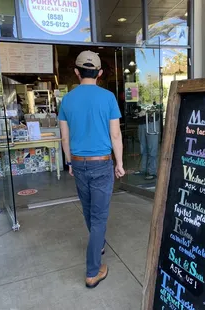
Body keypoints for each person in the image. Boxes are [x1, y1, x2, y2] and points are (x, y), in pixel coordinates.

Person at [58, 51, 125, 289]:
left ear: (76, 72)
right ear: (99, 72)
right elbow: (115, 134)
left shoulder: (67, 100)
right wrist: (120, 163)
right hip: (101, 162)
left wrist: (70, 161)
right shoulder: (107, 98)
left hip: (78, 161)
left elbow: (64, 138)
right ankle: (93, 271)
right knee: (99, 217)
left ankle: (99, 243)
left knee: (88, 209)